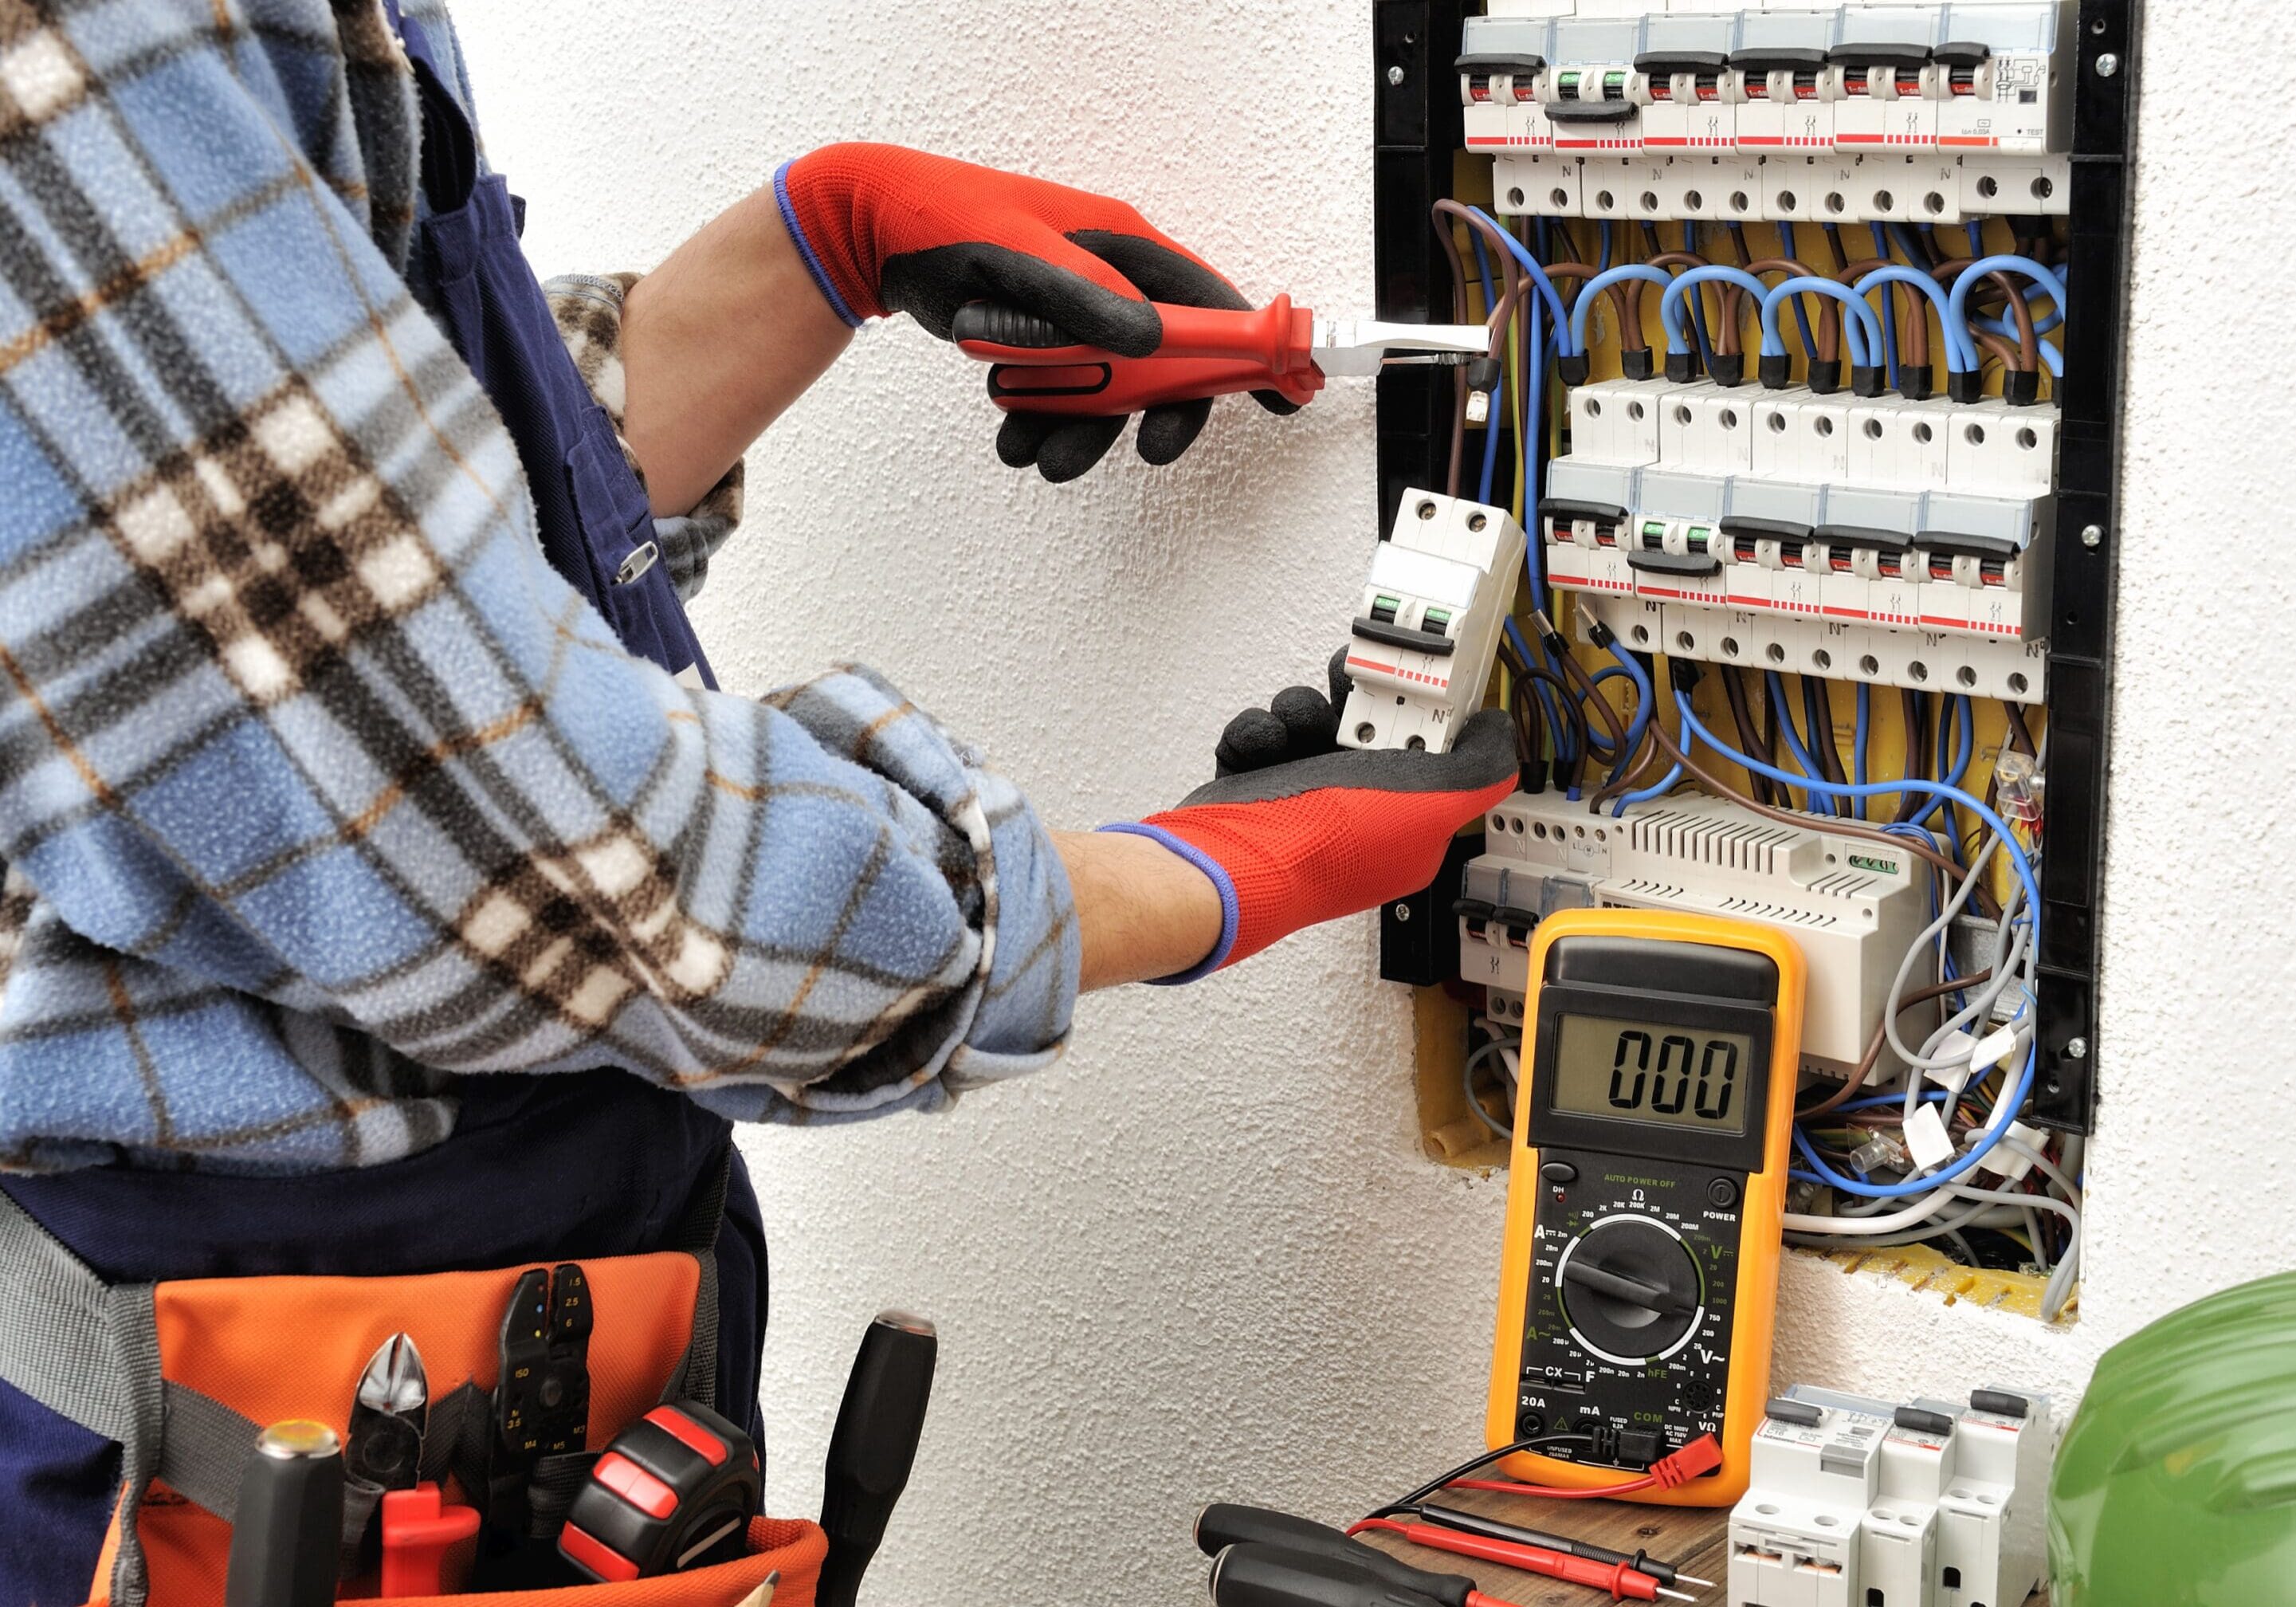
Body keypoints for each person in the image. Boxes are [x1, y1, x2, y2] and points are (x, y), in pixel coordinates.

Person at [0, 2, 1513, 1599]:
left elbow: (343, 521)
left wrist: (814, 253)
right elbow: (555, 850)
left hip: (513, 1357)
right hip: (227, 1452)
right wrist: (1199, 881)